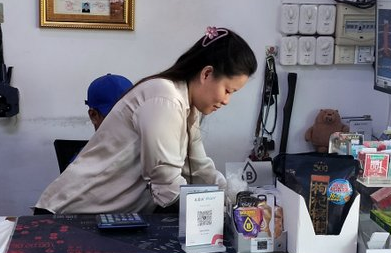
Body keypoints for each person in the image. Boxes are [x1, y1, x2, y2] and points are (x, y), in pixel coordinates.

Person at [36, 27, 257, 214]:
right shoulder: (165, 98)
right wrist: (216, 209)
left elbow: (199, 169)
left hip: (102, 217)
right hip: (71, 213)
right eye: (228, 90)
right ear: (207, 74)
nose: (227, 100)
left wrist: (234, 197)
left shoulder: (187, 108)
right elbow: (167, 187)